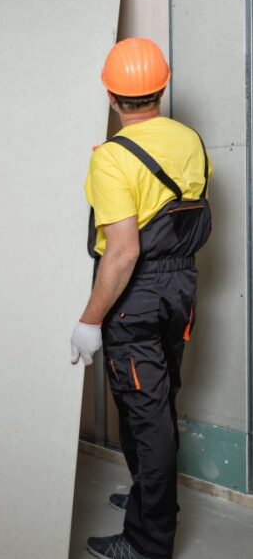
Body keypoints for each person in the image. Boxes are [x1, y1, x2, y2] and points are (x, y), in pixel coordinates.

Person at [70, 38, 212, 559]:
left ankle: (148, 544)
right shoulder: (190, 139)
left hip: (137, 295)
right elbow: (179, 200)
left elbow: (123, 252)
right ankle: (148, 501)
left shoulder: (112, 159)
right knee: (154, 406)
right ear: (162, 86)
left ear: (111, 94)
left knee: (144, 418)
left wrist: (89, 319)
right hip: (182, 289)